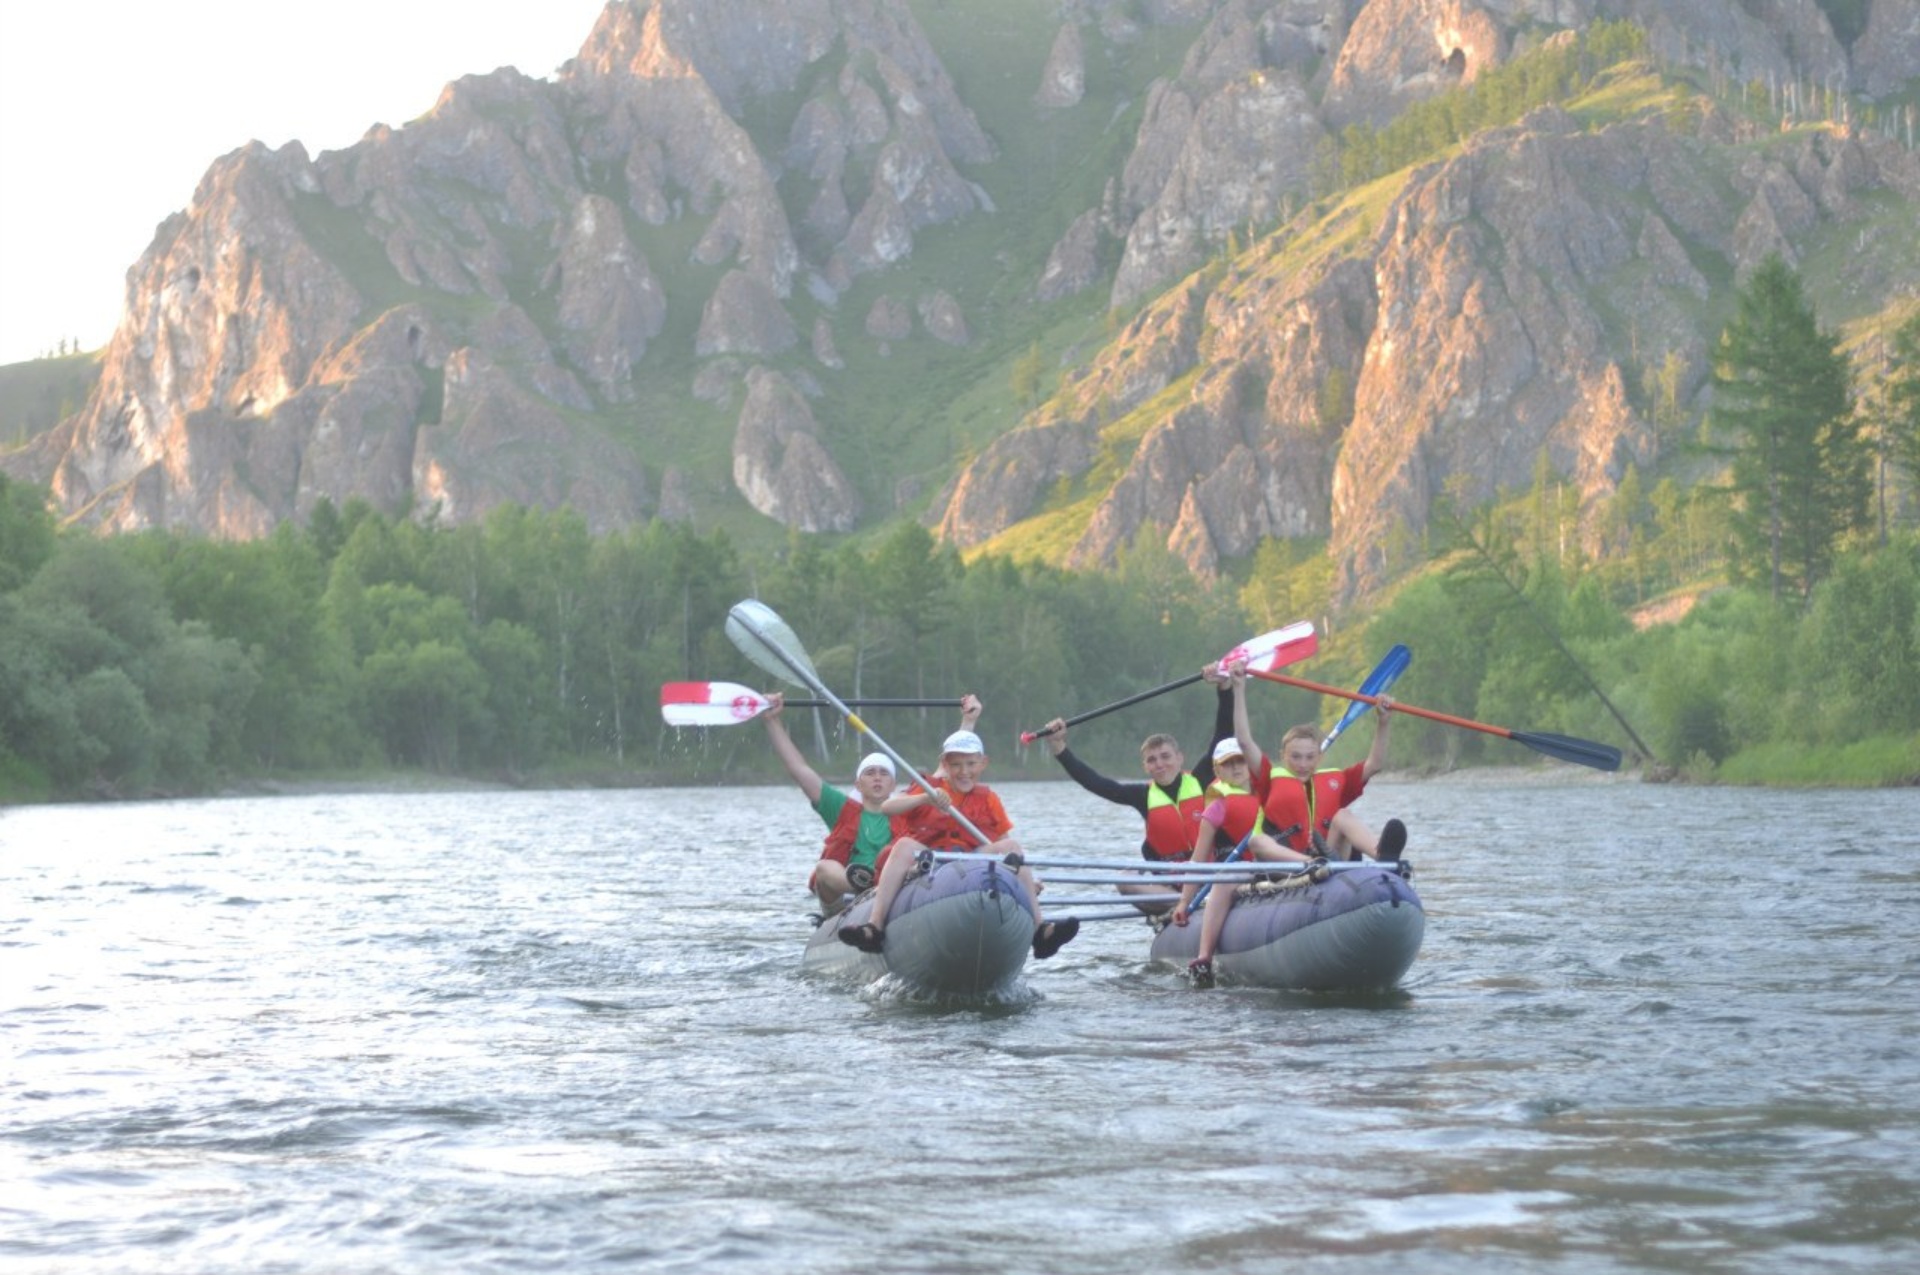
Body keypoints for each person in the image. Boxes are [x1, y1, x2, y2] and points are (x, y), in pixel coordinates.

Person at [1174, 659, 1406, 988]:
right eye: (1296, 757)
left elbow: (1376, 763)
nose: (1303, 764)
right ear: (1284, 756)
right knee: (1249, 849)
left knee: (1341, 814)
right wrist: (1239, 689)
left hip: (1330, 860)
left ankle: (1383, 855)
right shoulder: (1268, 778)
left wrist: (1384, 721)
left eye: (1309, 757)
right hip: (1281, 864)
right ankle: (1204, 956)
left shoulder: (1333, 781)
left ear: (1319, 758)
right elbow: (1244, 740)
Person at [838, 726, 1079, 960]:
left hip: (973, 856)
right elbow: (888, 807)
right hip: (933, 856)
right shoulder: (929, 788)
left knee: (1012, 846)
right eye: (956, 765)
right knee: (902, 846)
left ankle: (1040, 930)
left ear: (983, 763)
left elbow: (1004, 842)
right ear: (945, 765)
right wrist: (925, 798)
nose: (964, 771)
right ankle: (875, 927)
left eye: (971, 764)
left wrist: (1023, 875)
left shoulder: (989, 799)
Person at [763, 690, 981, 914]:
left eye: (883, 773)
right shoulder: (841, 808)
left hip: (895, 890)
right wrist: (772, 721)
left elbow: (947, 768)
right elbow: (800, 770)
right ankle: (863, 883)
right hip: (846, 898)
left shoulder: (908, 806)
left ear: (893, 783)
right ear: (858, 784)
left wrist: (969, 720)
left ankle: (881, 884)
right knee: (824, 868)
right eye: (870, 773)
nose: (877, 777)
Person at [1038, 664, 1234, 911]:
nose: (1160, 764)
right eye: (1152, 760)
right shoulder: (1142, 796)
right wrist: (1059, 748)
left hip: (1210, 878)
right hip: (1171, 887)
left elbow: (1223, 735)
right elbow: (1096, 783)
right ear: (1145, 767)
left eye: (1165, 756)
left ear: (1179, 758)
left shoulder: (1201, 779)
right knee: (1125, 880)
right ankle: (1181, 905)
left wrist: (1224, 688)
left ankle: (1201, 900)